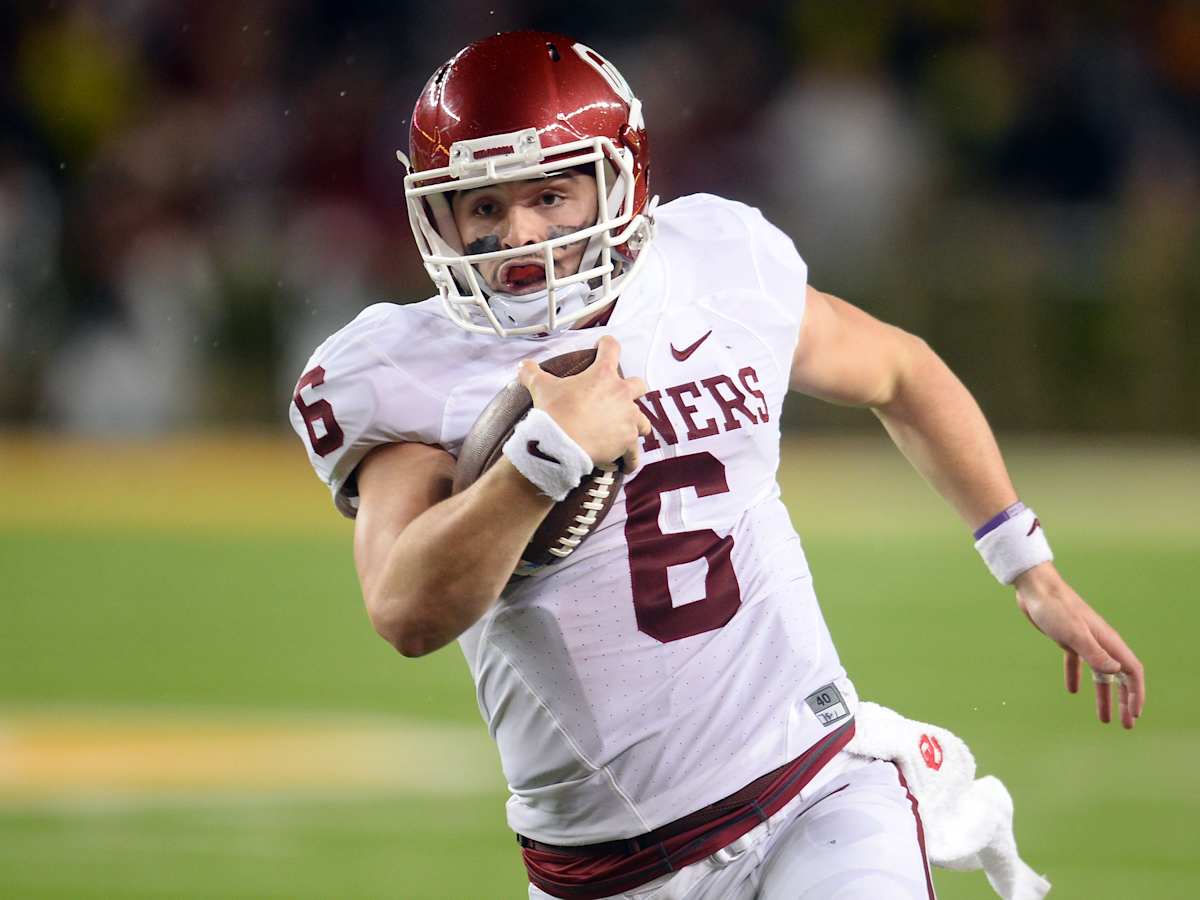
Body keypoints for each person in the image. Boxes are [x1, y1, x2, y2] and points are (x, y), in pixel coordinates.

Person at [289, 31, 1145, 900]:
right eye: (484, 207)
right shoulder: (409, 367)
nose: (521, 236)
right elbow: (406, 611)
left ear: (619, 181)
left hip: (815, 782)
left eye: (551, 194)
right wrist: (541, 461)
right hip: (610, 867)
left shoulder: (714, 264)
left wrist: (1024, 562)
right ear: (439, 214)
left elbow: (902, 371)